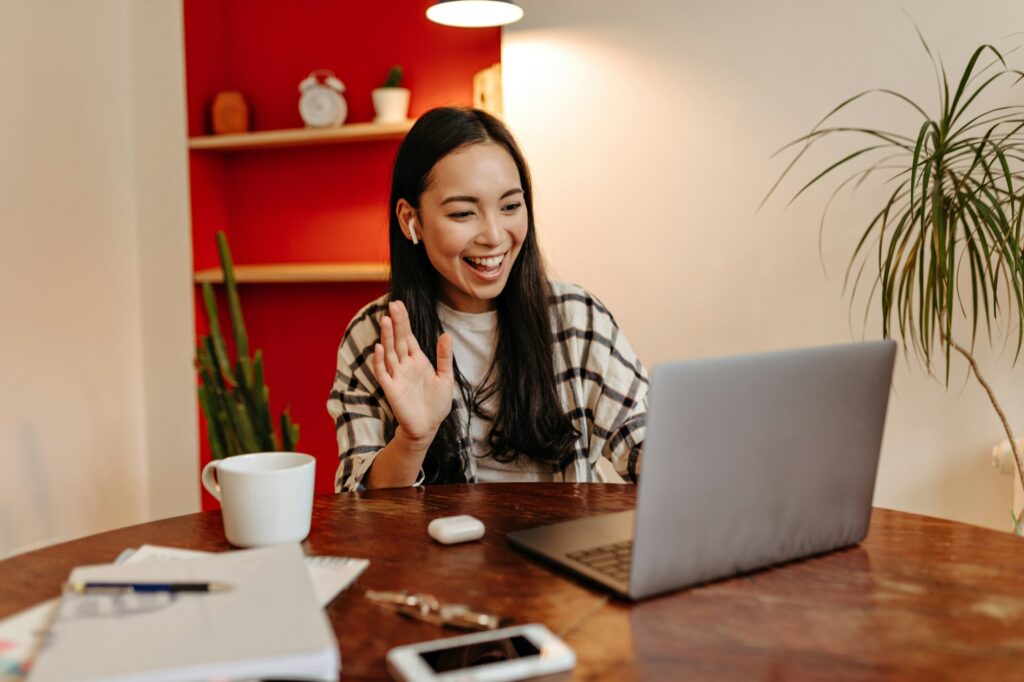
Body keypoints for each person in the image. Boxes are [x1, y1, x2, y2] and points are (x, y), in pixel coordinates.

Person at [327, 107, 648, 491]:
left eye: (511, 206)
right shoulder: (373, 337)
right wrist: (413, 440)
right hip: (428, 550)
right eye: (464, 213)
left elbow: (646, 442)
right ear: (410, 219)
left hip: (560, 545)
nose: (495, 235)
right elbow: (359, 509)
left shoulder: (578, 319)